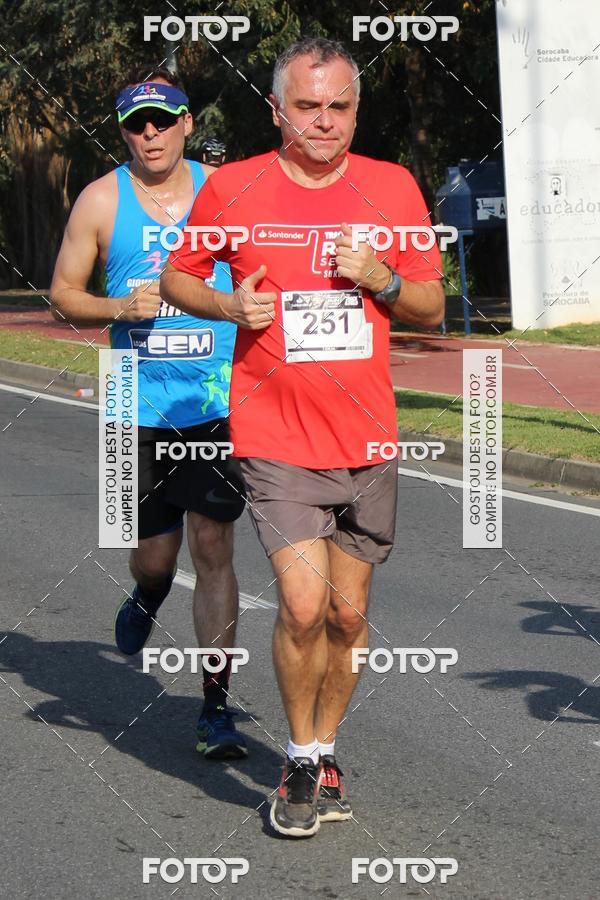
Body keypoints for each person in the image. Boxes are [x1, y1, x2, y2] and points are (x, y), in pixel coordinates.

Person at [160, 37, 445, 835]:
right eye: (308, 106)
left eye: (341, 106)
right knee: (303, 601)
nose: (325, 122)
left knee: (349, 618)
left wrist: (381, 279)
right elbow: (180, 275)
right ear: (276, 108)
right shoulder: (233, 185)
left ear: (356, 109)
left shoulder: (391, 187)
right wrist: (227, 307)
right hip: (275, 435)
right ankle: (295, 757)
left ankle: (322, 749)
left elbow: (429, 309)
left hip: (366, 440)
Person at [49, 66, 248, 761]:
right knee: (155, 558)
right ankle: (145, 597)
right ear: (124, 132)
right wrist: (116, 309)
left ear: (187, 122)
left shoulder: (226, 192)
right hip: (132, 403)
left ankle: (214, 710)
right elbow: (63, 294)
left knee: (214, 546)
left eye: (164, 119)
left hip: (217, 401)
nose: (151, 133)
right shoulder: (101, 201)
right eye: (137, 123)